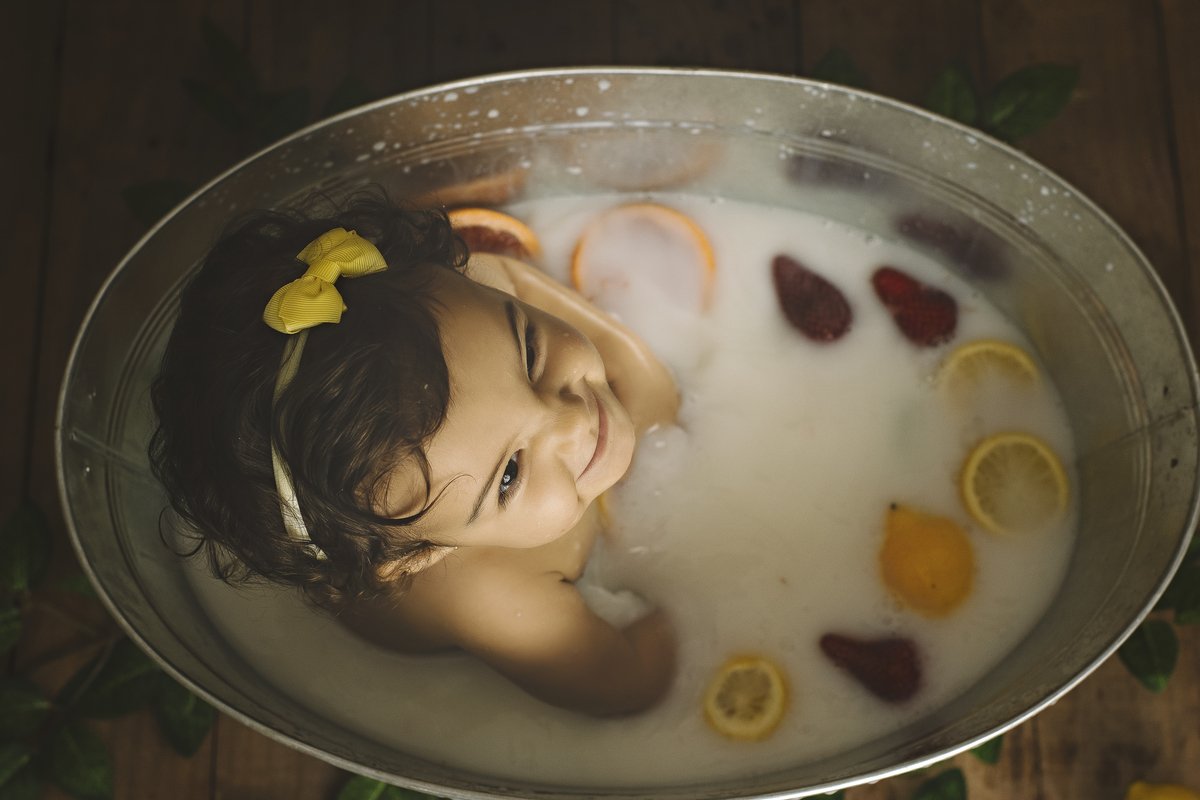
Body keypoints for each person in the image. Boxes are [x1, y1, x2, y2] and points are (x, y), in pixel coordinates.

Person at [150, 189, 679, 715]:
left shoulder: (468, 307)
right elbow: (634, 682)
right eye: (509, 475)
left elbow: (504, 272)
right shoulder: (491, 594)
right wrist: (699, 573)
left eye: (531, 352)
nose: (573, 421)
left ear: (453, 274)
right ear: (424, 554)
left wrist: (653, 404)